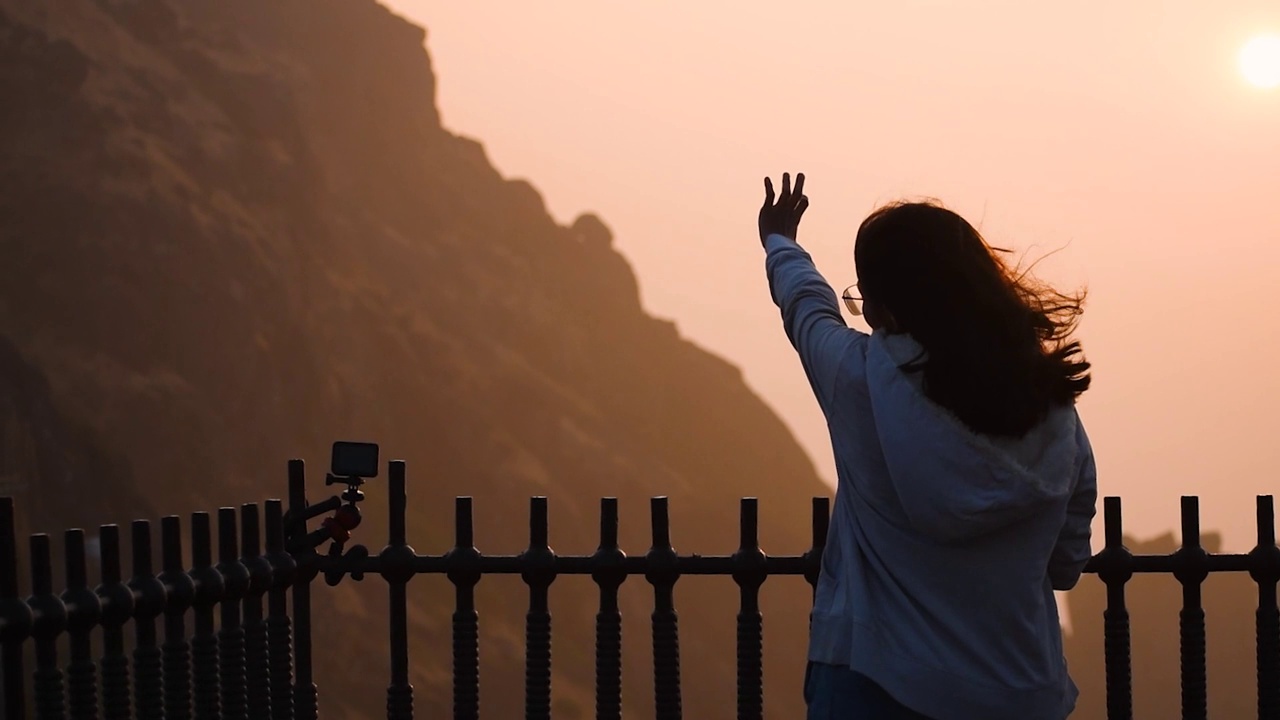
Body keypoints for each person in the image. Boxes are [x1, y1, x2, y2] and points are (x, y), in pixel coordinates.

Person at [758, 173, 1097, 720]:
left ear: (887, 309)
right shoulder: (1054, 409)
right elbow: (1065, 563)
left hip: (875, 684)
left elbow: (807, 309)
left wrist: (781, 242)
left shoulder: (859, 380)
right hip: (1018, 692)